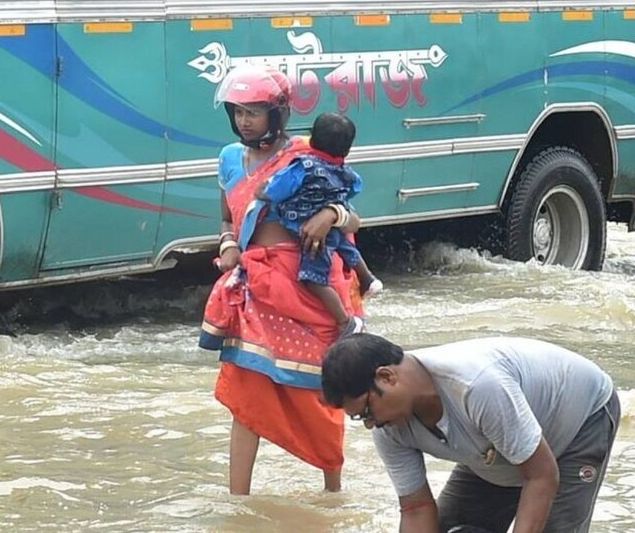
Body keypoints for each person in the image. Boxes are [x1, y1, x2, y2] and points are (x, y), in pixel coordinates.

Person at [199, 67, 365, 495]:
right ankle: (239, 501)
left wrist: (330, 215)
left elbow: (355, 215)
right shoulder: (228, 159)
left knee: (322, 395)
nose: (244, 121)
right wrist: (227, 246)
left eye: (254, 112)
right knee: (245, 394)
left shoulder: (308, 155)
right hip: (253, 289)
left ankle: (334, 494)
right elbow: (226, 218)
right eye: (238, 112)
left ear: (279, 114)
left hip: (306, 285)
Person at [322, 334, 620, 533]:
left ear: (387, 377)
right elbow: (416, 508)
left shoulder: (475, 386)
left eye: (366, 412)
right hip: (496, 446)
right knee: (451, 526)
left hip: (579, 422)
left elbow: (541, 476)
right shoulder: (390, 429)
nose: (370, 424)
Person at [256, 112, 382, 334]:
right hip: (333, 230)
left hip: (309, 235)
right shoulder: (347, 173)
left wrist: (262, 190)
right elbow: (355, 189)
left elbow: (277, 190)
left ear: (311, 138)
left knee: (312, 278)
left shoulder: (302, 166)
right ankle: (367, 277)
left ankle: (344, 321)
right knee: (344, 245)